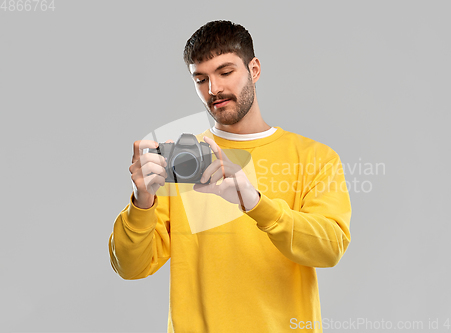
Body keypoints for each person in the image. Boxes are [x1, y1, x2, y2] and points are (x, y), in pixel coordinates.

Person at [109, 20, 352, 333]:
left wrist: (256, 204)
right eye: (201, 79)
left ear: (254, 69)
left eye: (225, 72)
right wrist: (141, 202)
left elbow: (329, 248)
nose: (214, 89)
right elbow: (130, 267)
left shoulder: (314, 157)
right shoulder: (182, 161)